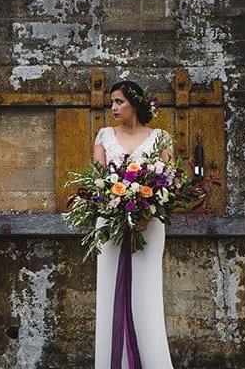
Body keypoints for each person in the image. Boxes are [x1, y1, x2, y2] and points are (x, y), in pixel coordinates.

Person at [92, 81, 174, 368]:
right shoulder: (104, 137)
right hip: (111, 224)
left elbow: (169, 184)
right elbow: (98, 183)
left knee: (147, 292)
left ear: (135, 104)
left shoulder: (160, 138)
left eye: (119, 102)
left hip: (148, 226)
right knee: (109, 293)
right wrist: (116, 207)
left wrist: (148, 212)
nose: (113, 108)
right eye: (111, 103)